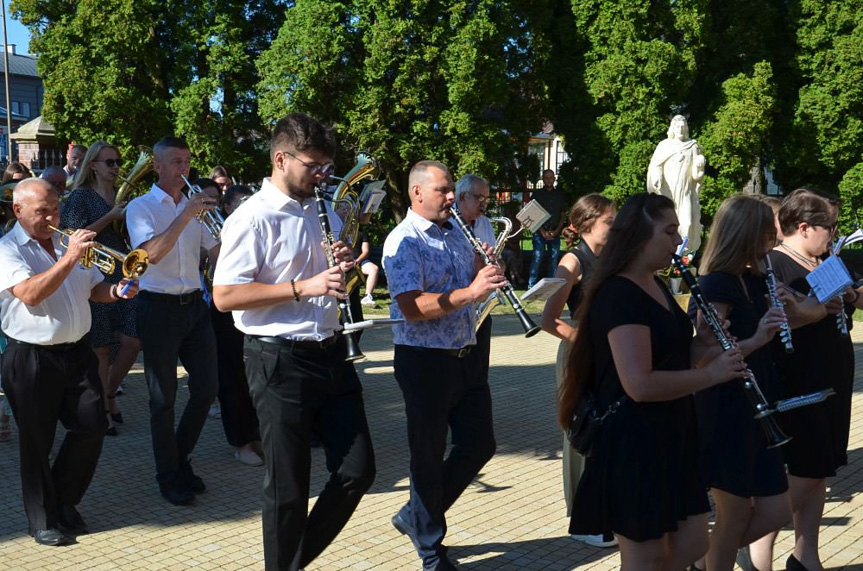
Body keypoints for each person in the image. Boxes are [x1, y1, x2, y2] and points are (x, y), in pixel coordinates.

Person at [213, 112, 375, 571]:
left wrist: (340, 261)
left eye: (327, 166)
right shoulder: (251, 218)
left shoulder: (317, 206)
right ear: (281, 159)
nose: (323, 176)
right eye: (315, 166)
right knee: (287, 488)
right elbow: (225, 297)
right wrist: (305, 286)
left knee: (358, 470)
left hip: (330, 351)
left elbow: (322, 273)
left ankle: (291, 562)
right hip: (278, 358)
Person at [557, 193, 747, 570]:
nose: (678, 240)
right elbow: (639, 384)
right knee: (645, 557)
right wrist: (711, 375)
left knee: (691, 543)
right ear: (641, 235)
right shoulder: (620, 294)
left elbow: (672, 360)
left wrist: (704, 347)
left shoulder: (655, 285)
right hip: (634, 442)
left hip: (671, 433)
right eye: (670, 231)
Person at [0, 178, 138, 546]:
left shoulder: (64, 242)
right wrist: (70, 257)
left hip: (77, 351)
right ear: (19, 210)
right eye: (42, 211)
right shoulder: (7, 249)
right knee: (36, 442)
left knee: (93, 425)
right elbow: (31, 294)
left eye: (56, 209)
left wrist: (117, 290)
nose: (51, 217)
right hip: (30, 356)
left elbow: (94, 290)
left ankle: (63, 500)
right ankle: (42, 520)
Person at [383, 160, 504, 570]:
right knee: (428, 455)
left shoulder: (455, 232)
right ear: (417, 193)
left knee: (480, 444)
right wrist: (470, 292)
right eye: (443, 190)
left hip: (466, 353)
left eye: (452, 189)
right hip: (425, 363)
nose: (452, 197)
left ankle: (416, 516)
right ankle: (432, 551)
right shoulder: (403, 240)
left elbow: (465, 282)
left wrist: (482, 272)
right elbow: (411, 306)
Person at [747, 189, 853, 571]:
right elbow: (774, 321)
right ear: (804, 227)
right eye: (830, 226)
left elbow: (849, 302)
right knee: (805, 471)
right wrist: (816, 310)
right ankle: (743, 543)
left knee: (820, 470)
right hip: (800, 384)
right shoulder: (774, 264)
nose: (833, 233)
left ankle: (806, 555)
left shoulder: (822, 260)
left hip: (831, 379)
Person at [687, 195, 794, 571]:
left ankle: (703, 559)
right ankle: (711, 561)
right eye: (768, 233)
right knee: (732, 512)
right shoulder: (716, 283)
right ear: (749, 233)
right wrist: (757, 339)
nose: (774, 241)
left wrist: (784, 308)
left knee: (776, 508)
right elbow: (704, 356)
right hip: (726, 404)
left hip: (760, 399)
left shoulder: (755, 277)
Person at [126, 136, 220, 506]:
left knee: (207, 389)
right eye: (177, 162)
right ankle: (168, 474)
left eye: (187, 161)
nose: (185, 169)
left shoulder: (196, 206)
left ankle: (179, 458)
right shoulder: (141, 207)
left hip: (195, 305)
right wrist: (186, 215)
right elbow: (150, 255)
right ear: (158, 166)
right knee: (162, 398)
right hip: (158, 307)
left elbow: (217, 250)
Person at [540, 193, 616, 548]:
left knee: (608, 432)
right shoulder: (572, 261)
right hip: (578, 356)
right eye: (609, 221)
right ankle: (585, 519)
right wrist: (585, 342)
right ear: (587, 225)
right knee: (582, 433)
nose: (615, 227)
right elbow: (547, 318)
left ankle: (605, 512)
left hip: (609, 355)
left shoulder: (613, 257)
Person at [61, 141, 140, 437]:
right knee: (102, 346)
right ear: (93, 165)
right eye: (110, 162)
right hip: (93, 272)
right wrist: (111, 216)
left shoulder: (125, 195)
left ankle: (108, 393)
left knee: (133, 340)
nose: (117, 167)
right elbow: (71, 236)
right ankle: (103, 410)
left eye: (118, 161)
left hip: (125, 270)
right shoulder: (80, 196)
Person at [206, 183, 262, 466]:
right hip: (226, 308)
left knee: (257, 376)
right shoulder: (218, 230)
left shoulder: (258, 227)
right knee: (233, 378)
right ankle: (242, 441)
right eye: (239, 205)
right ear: (226, 208)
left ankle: (258, 434)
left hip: (257, 305)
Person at [455, 174, 497, 381]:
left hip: (481, 307)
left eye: (487, 199)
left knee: (479, 372)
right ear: (462, 197)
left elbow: (497, 263)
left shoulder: (485, 224)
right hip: (457, 306)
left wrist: (494, 263)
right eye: (480, 198)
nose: (484, 204)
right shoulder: (447, 225)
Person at [647, 115, 706, 251]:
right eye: (677, 127)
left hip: (685, 192)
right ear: (673, 128)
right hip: (668, 191)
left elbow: (696, 176)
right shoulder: (664, 146)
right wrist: (657, 177)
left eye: (683, 127)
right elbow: (656, 166)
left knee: (688, 223)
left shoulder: (692, 145)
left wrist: (699, 166)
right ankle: (668, 254)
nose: (680, 129)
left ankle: (682, 256)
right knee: (666, 223)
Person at [528, 169, 566, 288]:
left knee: (554, 259)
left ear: (554, 178)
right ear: (543, 179)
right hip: (540, 232)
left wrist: (556, 231)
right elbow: (532, 214)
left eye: (551, 177)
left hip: (555, 232)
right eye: (546, 178)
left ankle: (550, 286)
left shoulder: (560, 194)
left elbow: (563, 215)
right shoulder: (537, 194)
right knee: (537, 258)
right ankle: (531, 285)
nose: (549, 180)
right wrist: (542, 231)